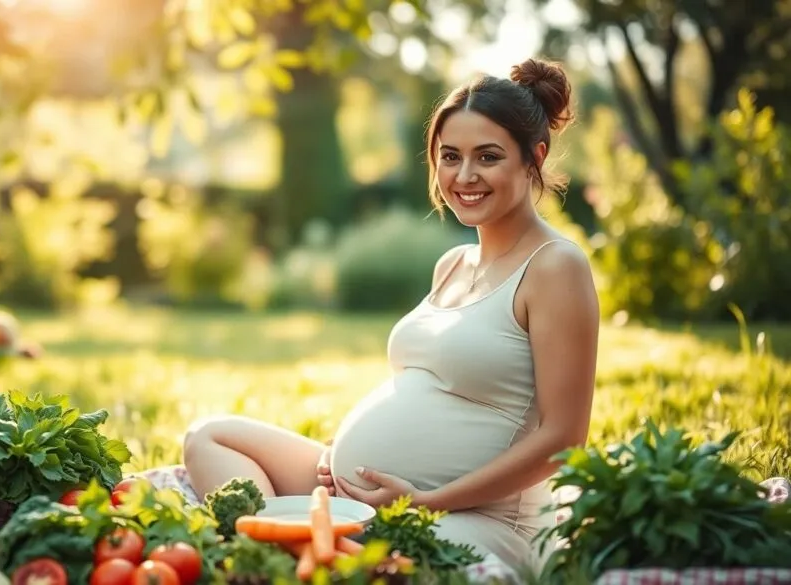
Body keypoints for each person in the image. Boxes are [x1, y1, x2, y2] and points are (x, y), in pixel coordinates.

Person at [181, 57, 600, 573]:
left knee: (382, 563)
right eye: (450, 157)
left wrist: (429, 501)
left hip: (475, 518)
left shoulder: (556, 266)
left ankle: (294, 551)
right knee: (210, 437)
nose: (464, 176)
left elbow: (563, 439)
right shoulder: (453, 264)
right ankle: (292, 544)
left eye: (487, 157)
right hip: (373, 498)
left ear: (533, 157)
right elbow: (425, 385)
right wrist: (343, 450)